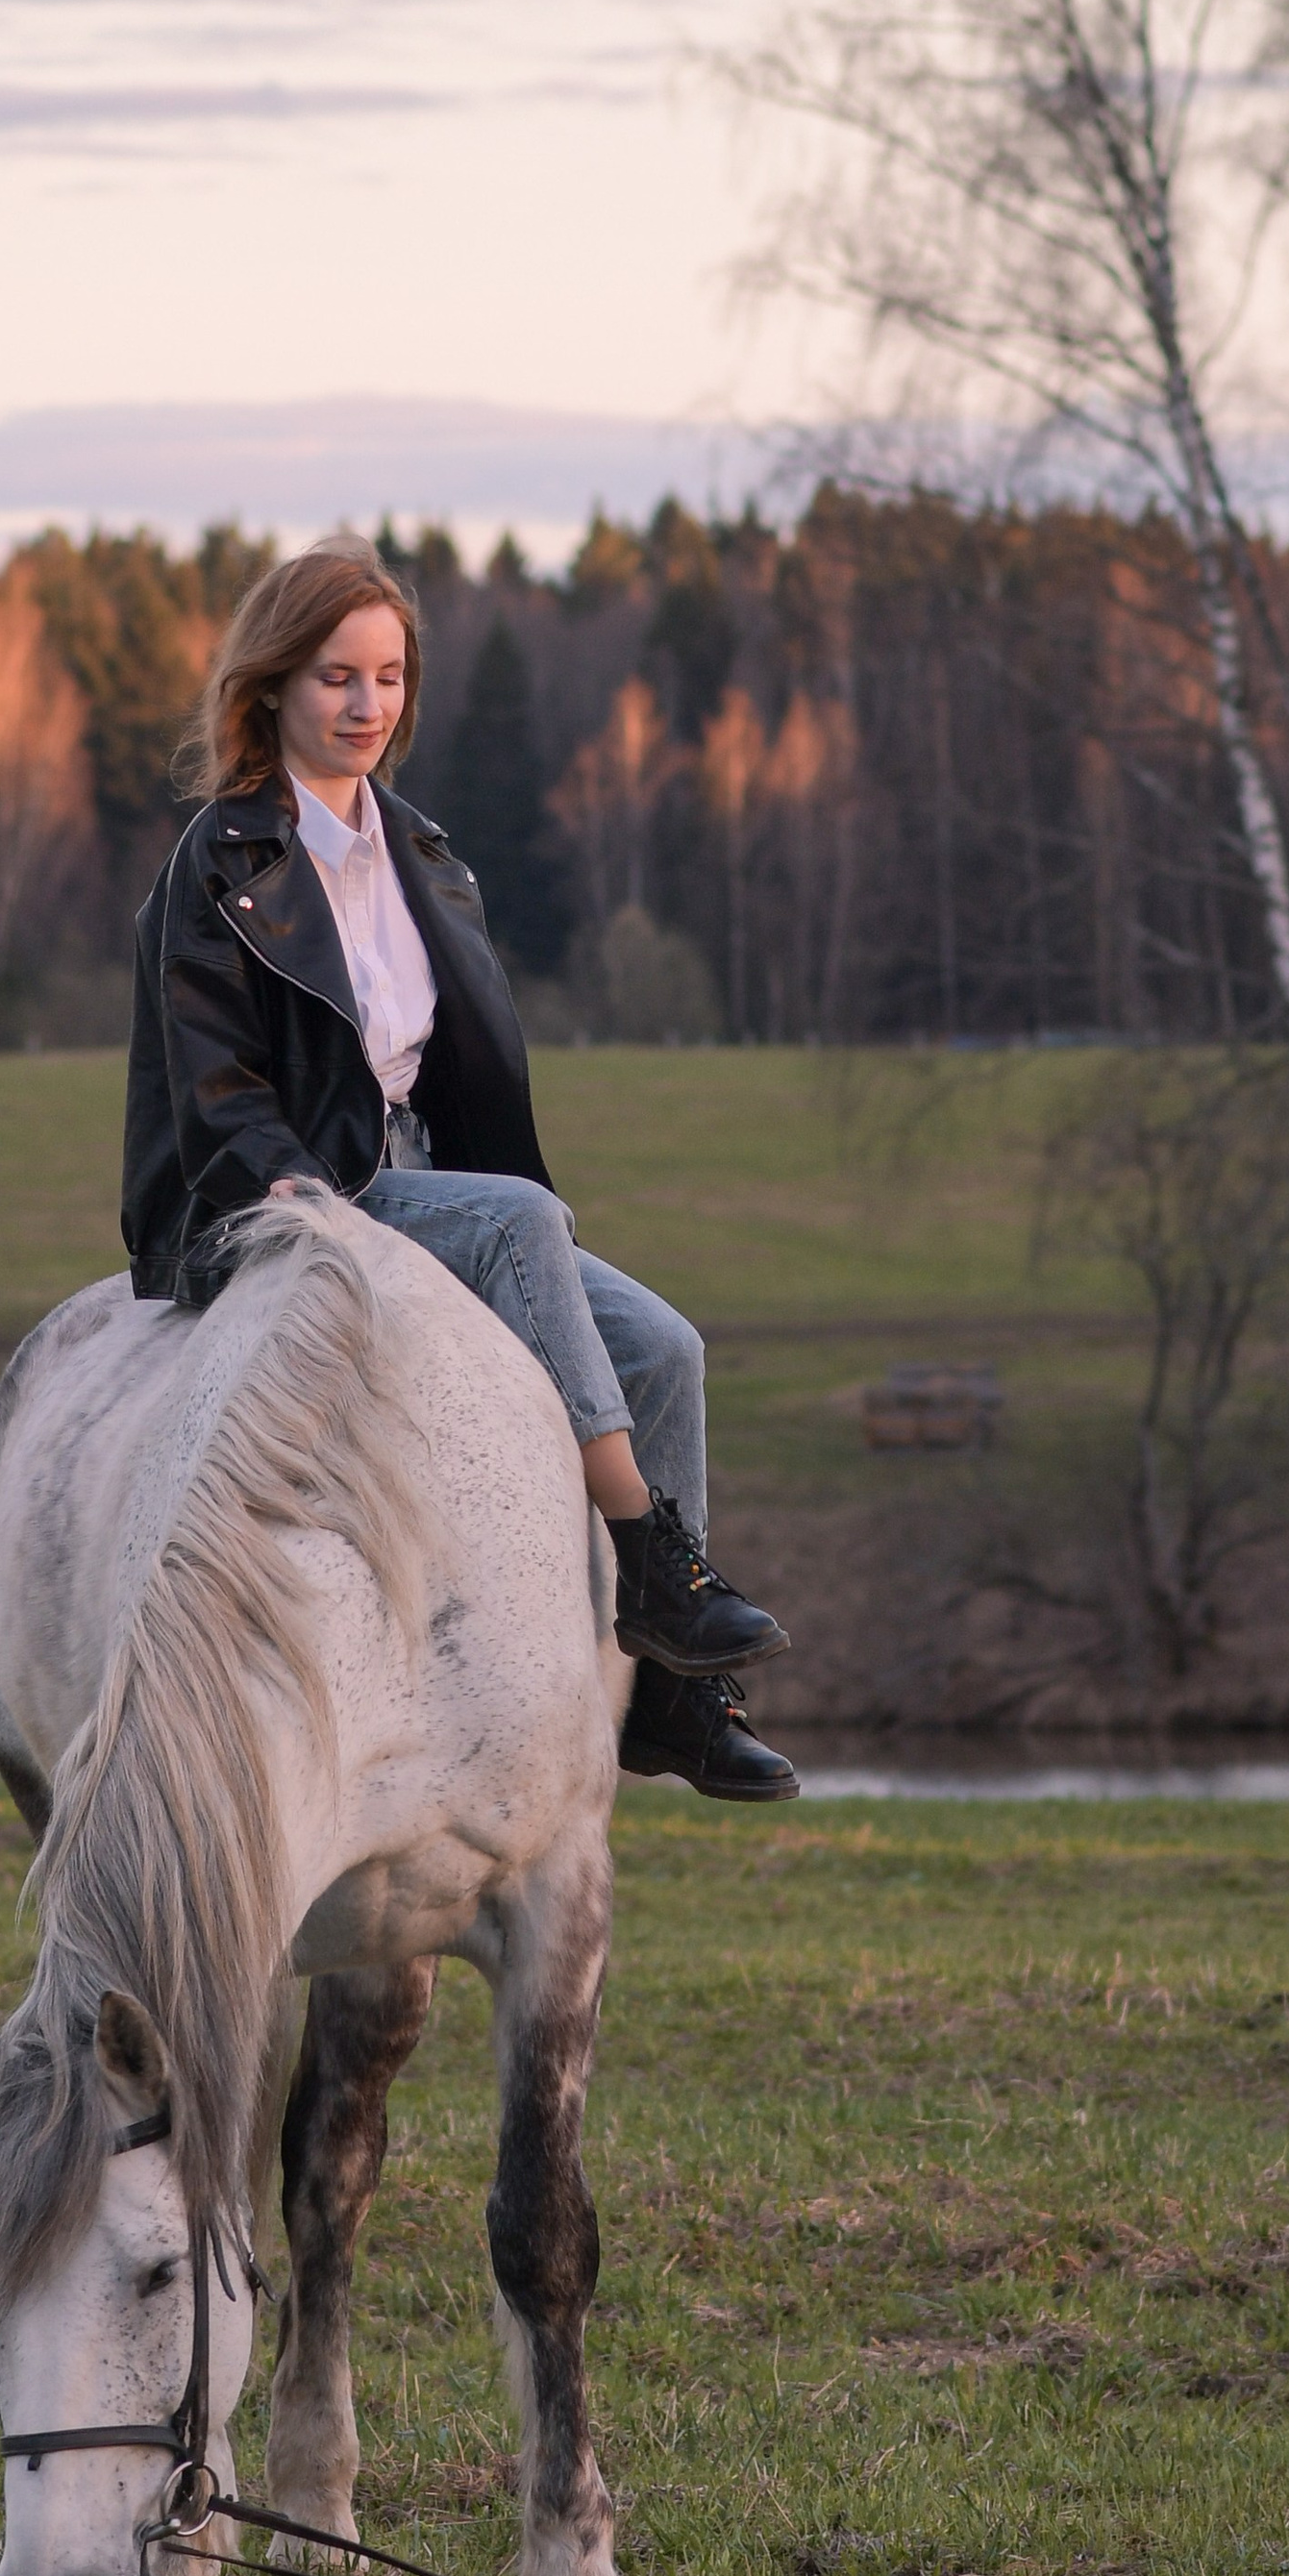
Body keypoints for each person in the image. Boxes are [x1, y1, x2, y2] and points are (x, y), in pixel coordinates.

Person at [122, 533, 798, 1804]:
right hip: (292, 1197)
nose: (365, 704)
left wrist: (488, 1199)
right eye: (336, 676)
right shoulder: (218, 864)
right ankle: (653, 1561)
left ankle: (669, 1700)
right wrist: (308, 1200)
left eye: (387, 677)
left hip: (425, 1181)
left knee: (665, 1348)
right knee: (519, 1219)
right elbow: (216, 1096)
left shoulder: (422, 852)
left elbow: (454, 1074)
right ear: (273, 684)